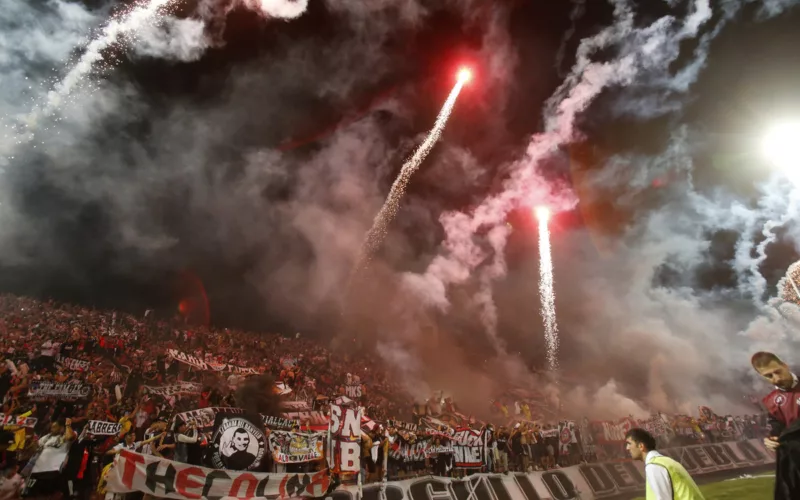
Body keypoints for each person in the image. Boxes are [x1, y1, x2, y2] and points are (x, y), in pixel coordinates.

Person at [751, 351, 800, 500]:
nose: (776, 379)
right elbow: (776, 424)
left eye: (777, 372)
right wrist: (772, 438)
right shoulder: (770, 401)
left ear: (785, 365)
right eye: (769, 376)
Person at [625, 428, 704, 500]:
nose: (627, 448)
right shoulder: (666, 461)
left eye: (629, 443)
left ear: (641, 446)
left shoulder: (654, 466)